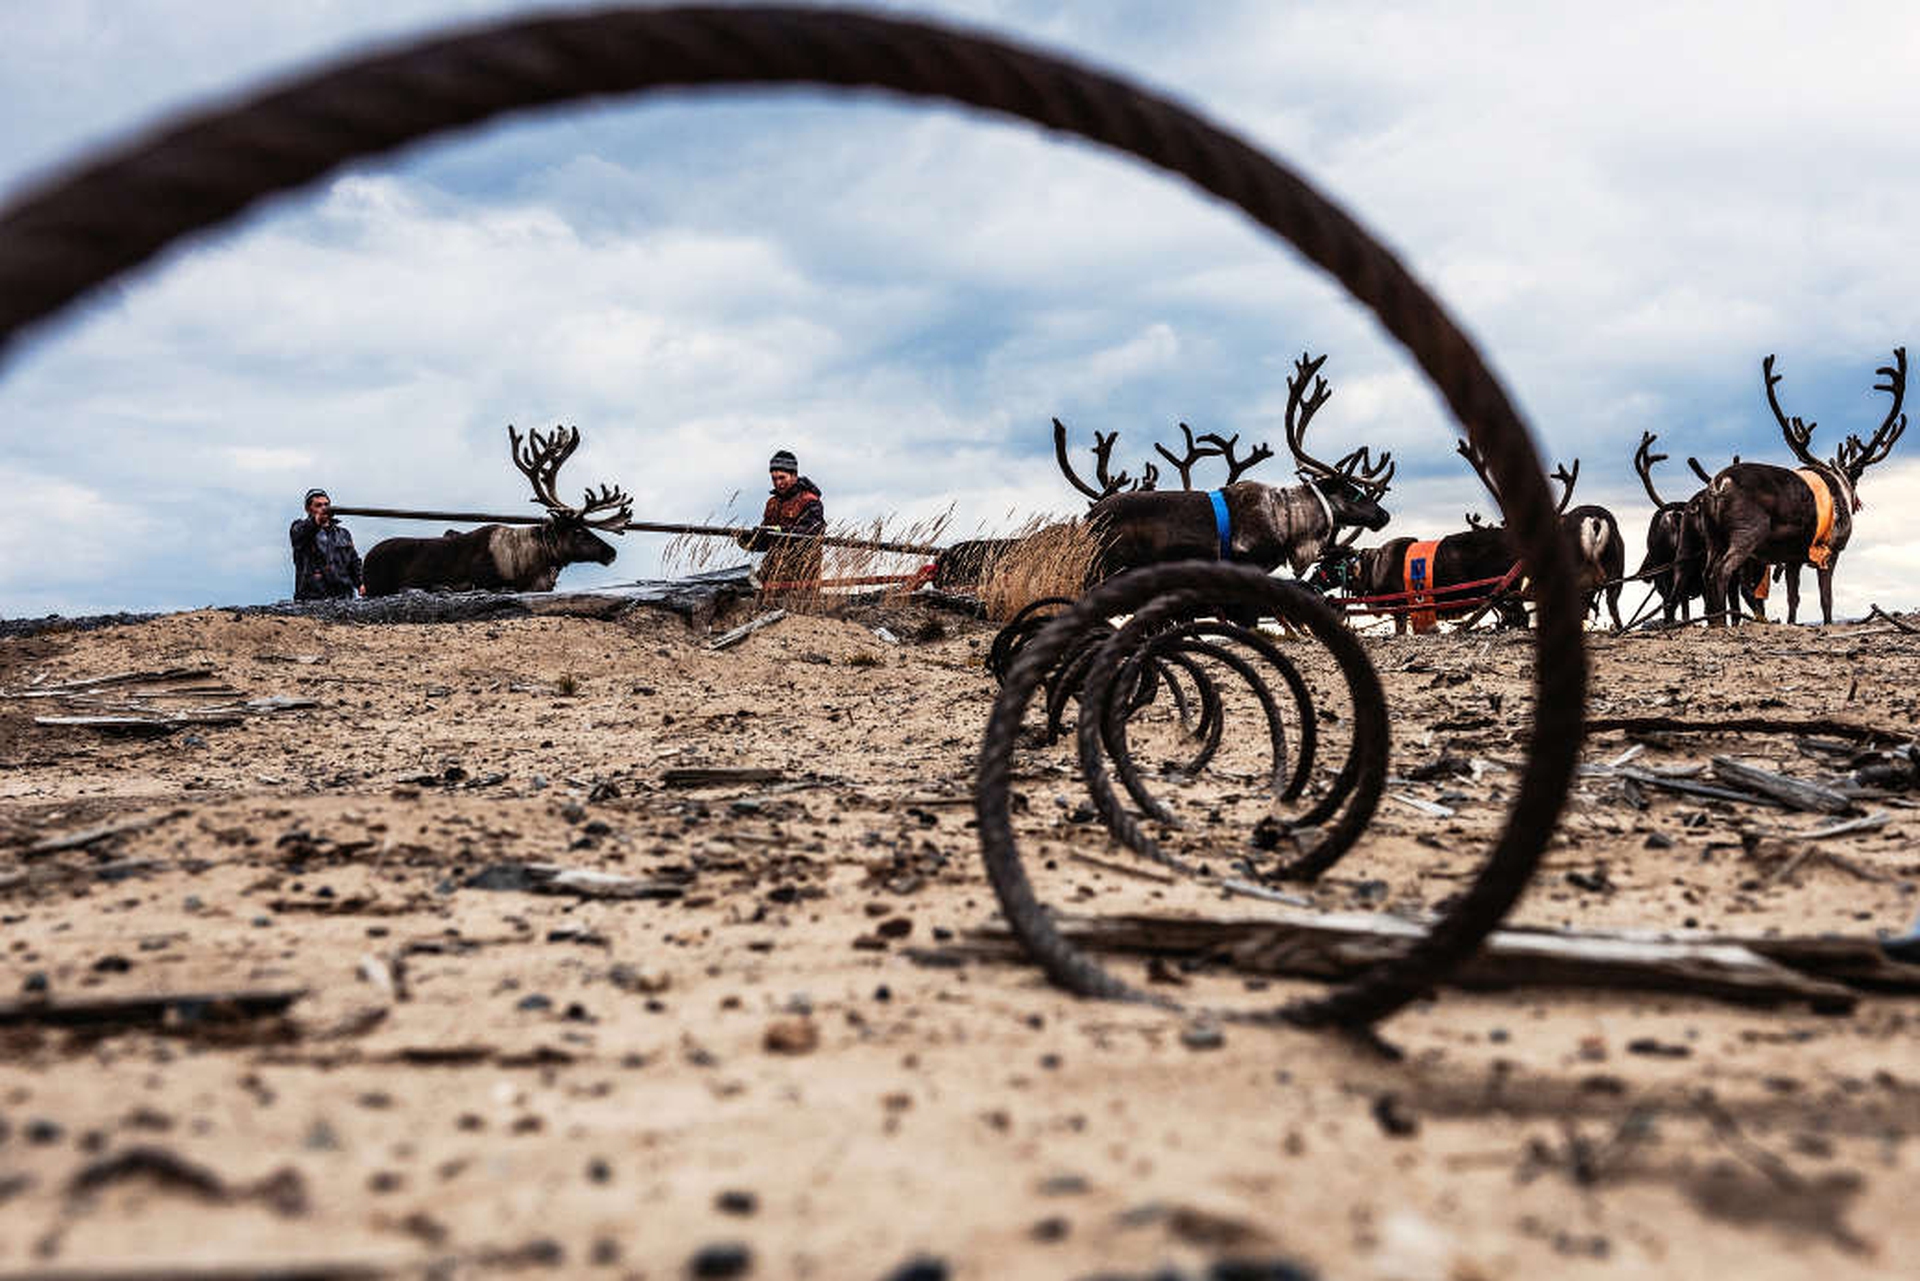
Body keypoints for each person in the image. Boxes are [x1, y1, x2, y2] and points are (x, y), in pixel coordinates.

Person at [738, 449, 826, 588]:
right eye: (774, 479)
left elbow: (813, 532)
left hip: (801, 575)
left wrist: (777, 530)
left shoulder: (810, 501)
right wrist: (751, 540)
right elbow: (767, 542)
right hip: (772, 571)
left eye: (782, 478)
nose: (778, 483)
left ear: (794, 476)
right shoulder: (772, 504)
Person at [289, 487, 364, 600]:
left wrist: (360, 583)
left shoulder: (343, 534)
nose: (324, 508)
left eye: (326, 505)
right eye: (318, 505)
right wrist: (316, 521)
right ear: (308, 509)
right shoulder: (299, 528)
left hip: (344, 597)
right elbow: (303, 531)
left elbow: (353, 562)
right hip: (312, 599)